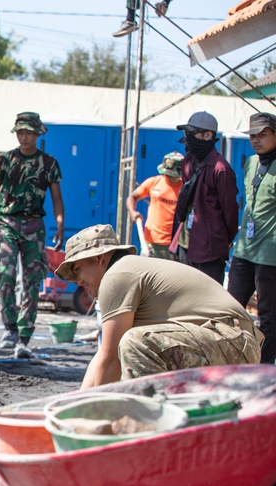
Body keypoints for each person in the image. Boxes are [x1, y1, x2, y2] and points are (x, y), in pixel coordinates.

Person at [54, 224, 261, 388]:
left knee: (135, 344)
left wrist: (91, 419)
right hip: (228, 342)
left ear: (99, 258)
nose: (78, 282)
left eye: (78, 269)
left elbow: (110, 361)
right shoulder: (127, 270)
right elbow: (102, 357)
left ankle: (146, 431)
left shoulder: (117, 275)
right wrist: (73, 406)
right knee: (131, 349)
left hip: (231, 342)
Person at [0, 111, 65, 360]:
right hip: (7, 223)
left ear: (37, 134)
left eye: (28, 132)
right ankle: (10, 329)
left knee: (32, 280)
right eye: (20, 132)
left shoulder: (49, 164)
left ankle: (25, 336)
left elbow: (57, 199)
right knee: (4, 273)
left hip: (34, 225)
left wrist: (60, 223)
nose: (24, 136)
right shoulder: (5, 160)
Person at [228, 112, 276, 365]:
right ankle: (232, 361)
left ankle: (265, 371)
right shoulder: (251, 163)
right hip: (244, 249)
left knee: (268, 316)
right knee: (229, 308)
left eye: (263, 135)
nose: (256, 140)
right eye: (253, 136)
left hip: (270, 254)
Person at [172, 111, 239, 284]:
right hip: (185, 245)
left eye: (192, 134)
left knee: (205, 304)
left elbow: (230, 213)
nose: (188, 138)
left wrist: (221, 241)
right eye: (186, 134)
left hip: (209, 250)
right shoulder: (188, 161)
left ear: (208, 135)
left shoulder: (221, 169)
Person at [125, 151, 183, 259]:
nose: (169, 177)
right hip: (151, 242)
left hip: (174, 245)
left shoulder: (184, 188)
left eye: (172, 175)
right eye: (167, 174)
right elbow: (132, 197)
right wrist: (133, 212)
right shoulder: (153, 182)